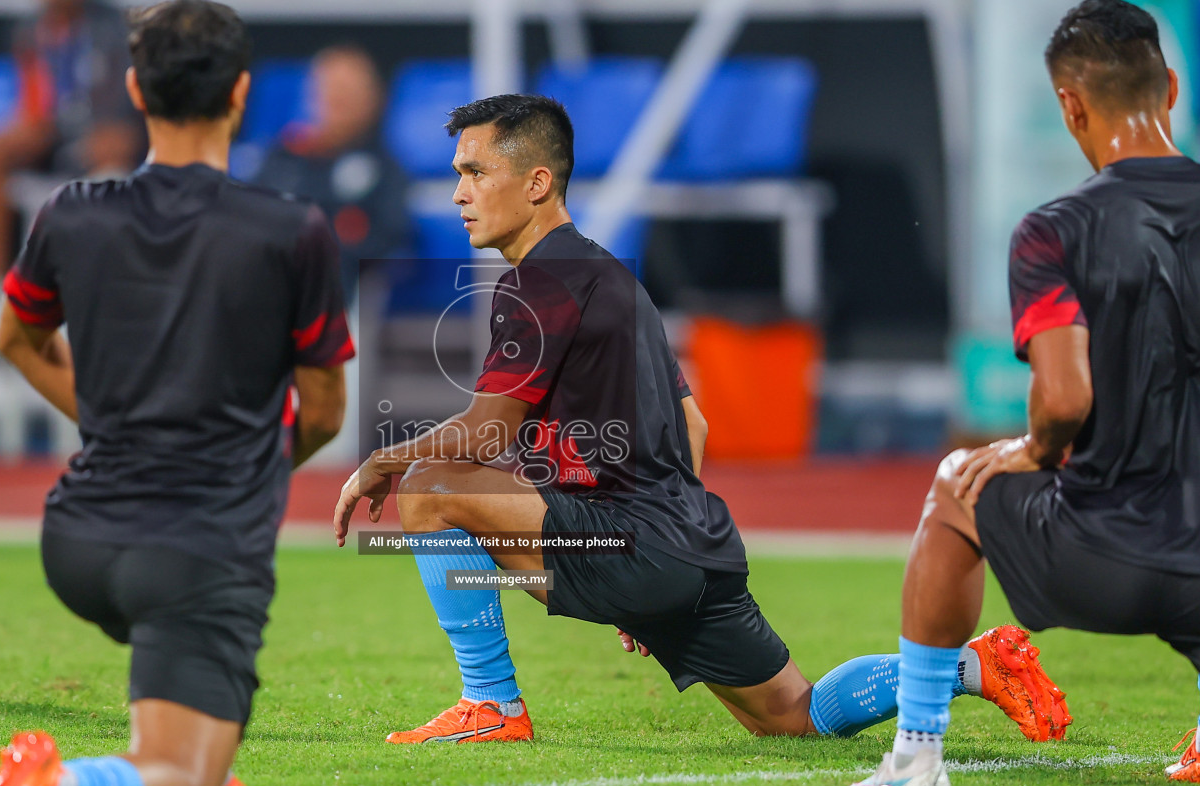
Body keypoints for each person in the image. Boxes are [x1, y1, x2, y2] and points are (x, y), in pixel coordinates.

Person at [332, 94, 1069, 746]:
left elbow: (487, 435)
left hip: (635, 542)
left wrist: (383, 461)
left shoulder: (541, 283)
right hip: (691, 541)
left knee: (427, 486)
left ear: (536, 183)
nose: (459, 192)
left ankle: (489, 703)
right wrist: (647, 563)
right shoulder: (613, 277)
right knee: (792, 713)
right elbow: (696, 428)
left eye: (475, 172)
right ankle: (973, 665)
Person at [0, 0, 353, 786]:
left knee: (183, 672)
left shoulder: (71, 211)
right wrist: (249, 461)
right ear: (242, 94)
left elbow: (16, 339)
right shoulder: (292, 230)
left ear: (133, 88)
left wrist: (115, 424)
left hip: (77, 540)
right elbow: (323, 412)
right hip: (195, 547)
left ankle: (199, 747)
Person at [847, 0, 1200, 786]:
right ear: (1171, 89)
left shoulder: (1054, 228)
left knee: (955, 486)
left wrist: (1030, 452)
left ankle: (916, 756)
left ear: (1069, 104)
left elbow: (1066, 398)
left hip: (1108, 560)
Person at [0, 0, 142, 284]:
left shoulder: (118, 27)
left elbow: (137, 101)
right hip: (57, 133)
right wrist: (31, 128)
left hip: (112, 134)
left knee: (111, 148)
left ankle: (96, 286)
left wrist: (127, 131)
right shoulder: (29, 31)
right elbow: (33, 101)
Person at [256, 45, 410, 300]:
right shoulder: (283, 157)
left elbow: (387, 239)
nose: (337, 100)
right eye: (330, 89)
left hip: (337, 293)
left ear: (373, 98)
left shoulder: (385, 170)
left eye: (348, 92)